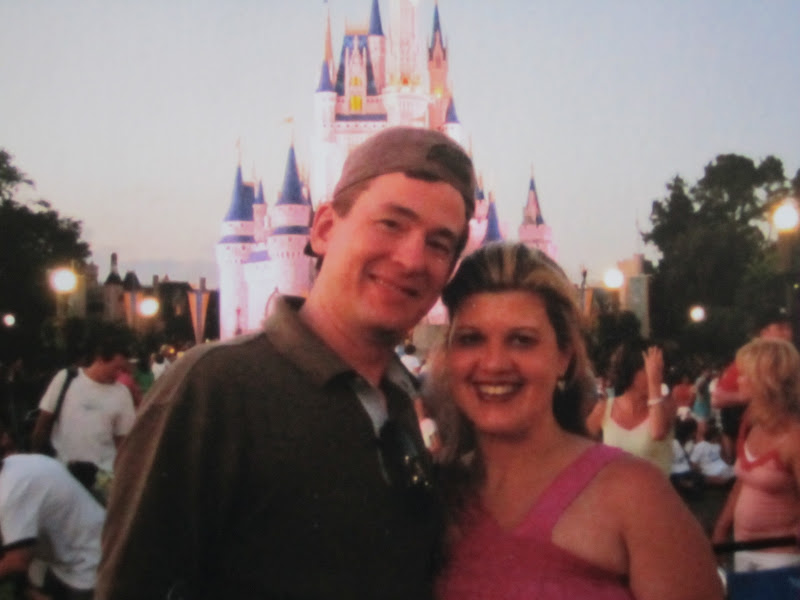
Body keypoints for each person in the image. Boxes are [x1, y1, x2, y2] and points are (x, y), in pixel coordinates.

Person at [96, 126, 477, 600]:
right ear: (323, 228)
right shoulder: (215, 388)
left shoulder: (406, 400)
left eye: (439, 243)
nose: (411, 259)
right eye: (391, 224)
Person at [433, 242, 722, 600]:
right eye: (471, 339)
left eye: (522, 340)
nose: (494, 363)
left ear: (564, 357)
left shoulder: (634, 496)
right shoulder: (436, 497)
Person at [712, 338, 800, 572]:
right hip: (743, 549)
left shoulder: (794, 438)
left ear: (766, 381)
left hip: (782, 558)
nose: (738, 380)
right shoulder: (753, 423)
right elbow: (742, 482)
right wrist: (721, 528)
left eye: (745, 374)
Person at [0, 420, 105, 600]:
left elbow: (17, 561)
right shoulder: (17, 463)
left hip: (89, 567)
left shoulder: (11, 491)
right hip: (71, 560)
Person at [31, 323, 136, 475]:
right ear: (100, 359)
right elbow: (43, 423)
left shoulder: (122, 393)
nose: (119, 374)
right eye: (116, 368)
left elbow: (123, 439)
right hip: (64, 471)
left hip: (103, 474)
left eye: (123, 370)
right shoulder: (66, 379)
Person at [712, 306, 793, 463]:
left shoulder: (792, 361)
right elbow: (717, 398)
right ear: (764, 332)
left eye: (788, 328)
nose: (787, 333)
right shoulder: (749, 361)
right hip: (758, 438)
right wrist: (748, 396)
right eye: (780, 328)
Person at [586, 338, 676, 476]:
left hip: (655, 489)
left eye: (658, 371)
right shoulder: (605, 408)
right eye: (649, 370)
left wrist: (654, 384)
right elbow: (580, 442)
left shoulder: (667, 405)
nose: (657, 375)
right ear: (631, 372)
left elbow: (657, 432)